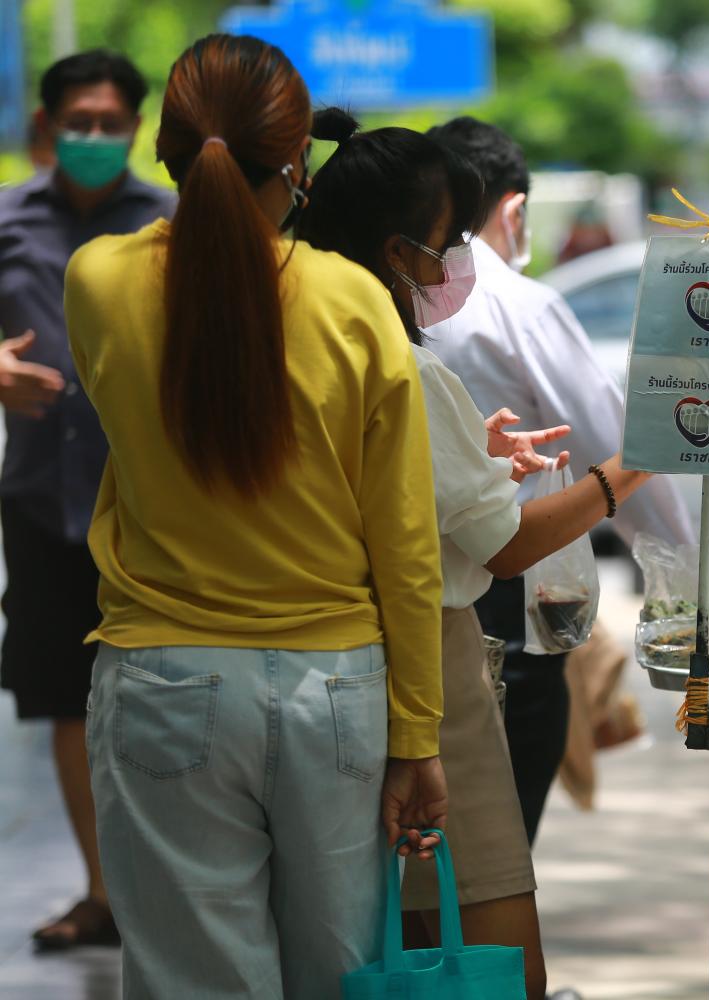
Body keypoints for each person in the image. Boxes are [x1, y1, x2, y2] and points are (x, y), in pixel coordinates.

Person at [63, 35, 448, 997]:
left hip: (163, 682)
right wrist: (419, 735)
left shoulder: (97, 282)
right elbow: (405, 546)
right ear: (300, 162)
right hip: (337, 694)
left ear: (166, 149)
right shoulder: (356, 301)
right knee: (339, 979)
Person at [299, 109, 658, 999]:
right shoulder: (403, 366)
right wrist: (628, 471)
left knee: (406, 925)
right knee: (492, 931)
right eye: (447, 239)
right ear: (395, 250)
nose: (460, 259)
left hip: (333, 665)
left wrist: (474, 452)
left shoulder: (309, 345)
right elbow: (508, 547)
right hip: (429, 670)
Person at [424, 116, 694, 843]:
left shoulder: (375, 302)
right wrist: (687, 582)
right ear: (513, 210)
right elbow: (614, 442)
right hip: (502, 596)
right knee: (496, 838)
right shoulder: (514, 302)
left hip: (407, 598)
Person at [0, 48, 175, 951]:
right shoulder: (8, 222)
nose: (97, 138)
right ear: (45, 128)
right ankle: (104, 894)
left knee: (163, 695)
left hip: (155, 508)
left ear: (138, 129)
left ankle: (167, 894)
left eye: (113, 123)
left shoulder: (174, 226)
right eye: (80, 123)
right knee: (64, 700)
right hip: (40, 502)